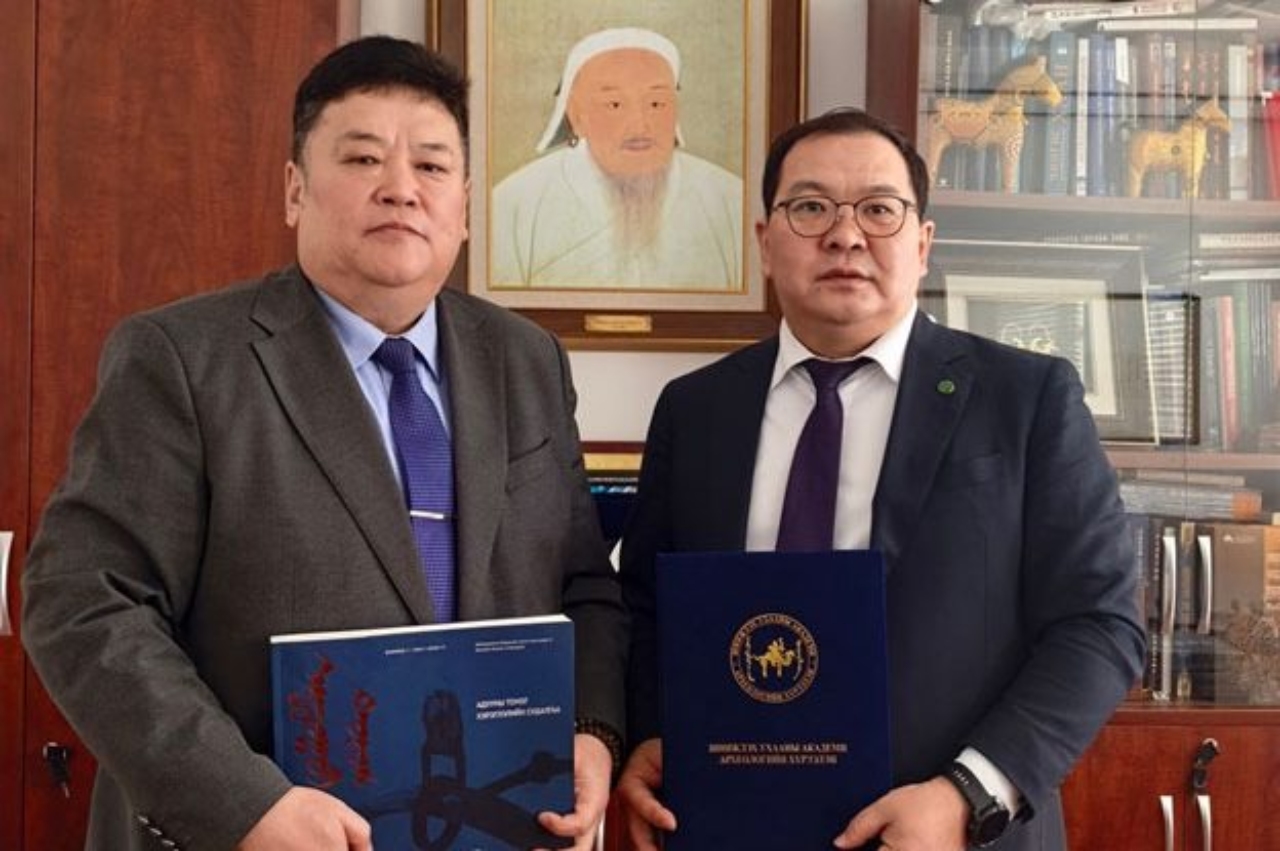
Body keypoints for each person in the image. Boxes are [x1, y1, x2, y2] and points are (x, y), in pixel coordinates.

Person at [21, 36, 626, 851]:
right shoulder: (183, 358)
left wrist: (591, 731)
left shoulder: (527, 361)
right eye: (364, 157)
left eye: (432, 165)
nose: (401, 187)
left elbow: (584, 585)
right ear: (295, 190)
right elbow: (84, 600)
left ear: (465, 205)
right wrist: (244, 805)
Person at [615, 109, 1145, 850]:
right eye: (810, 207)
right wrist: (649, 733)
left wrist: (969, 794)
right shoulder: (696, 408)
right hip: (729, 825)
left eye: (878, 209)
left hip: (952, 833)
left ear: (922, 243)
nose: (845, 234)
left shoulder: (1027, 399)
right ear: (765, 242)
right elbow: (645, 607)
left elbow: (1101, 624)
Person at [490, 27, 743, 289]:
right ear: (576, 116)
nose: (639, 126)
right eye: (614, 105)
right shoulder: (513, 205)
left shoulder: (730, 200)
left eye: (656, 104)